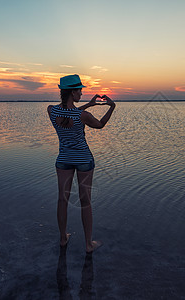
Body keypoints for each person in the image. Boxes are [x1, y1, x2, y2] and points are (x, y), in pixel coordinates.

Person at [48, 74, 116, 253]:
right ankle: (88, 244)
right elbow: (100, 124)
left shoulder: (51, 111)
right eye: (79, 90)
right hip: (84, 160)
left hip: (63, 160)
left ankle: (63, 239)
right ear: (72, 92)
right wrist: (112, 106)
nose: (81, 93)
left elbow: (68, 114)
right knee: (85, 201)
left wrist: (89, 105)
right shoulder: (83, 115)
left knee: (62, 199)